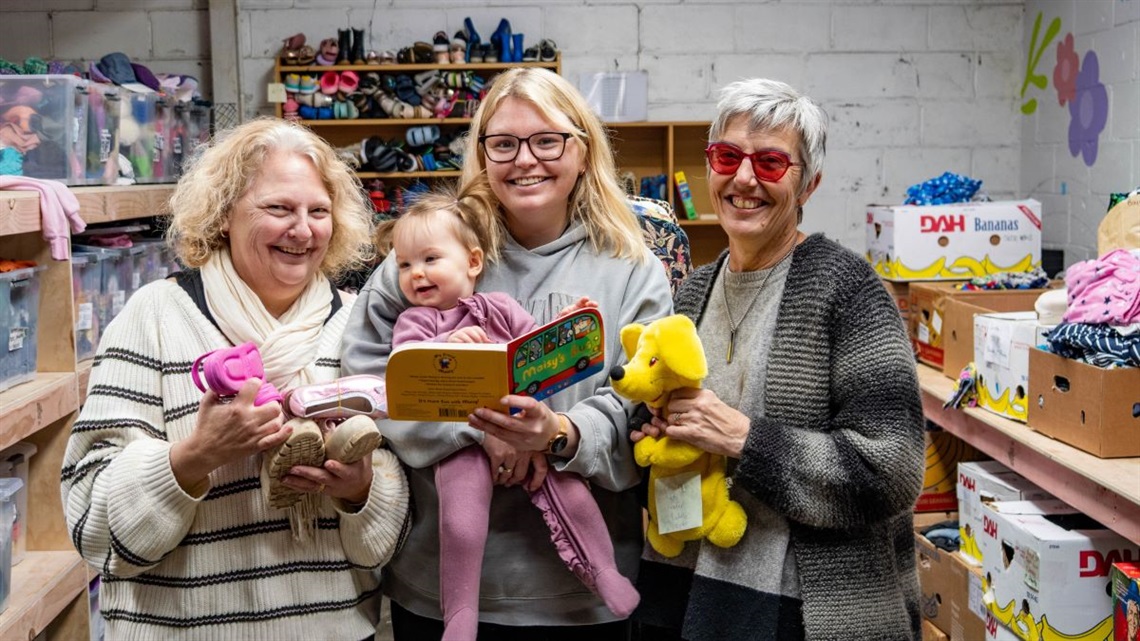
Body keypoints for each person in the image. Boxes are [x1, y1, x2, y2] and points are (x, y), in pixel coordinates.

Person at [342, 67, 673, 640]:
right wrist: (480, 431)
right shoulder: (432, 250)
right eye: (504, 143)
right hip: (440, 591)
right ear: (482, 153)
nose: (526, 160)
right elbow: (370, 381)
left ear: (583, 148)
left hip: (581, 602)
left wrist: (559, 432)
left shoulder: (631, 267)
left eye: (548, 140)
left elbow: (641, 402)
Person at [60, 118, 410, 641]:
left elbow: (390, 538)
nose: (303, 229)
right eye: (278, 209)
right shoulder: (156, 315)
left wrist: (360, 489)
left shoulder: (357, 323)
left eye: (318, 211)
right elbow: (92, 526)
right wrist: (196, 456)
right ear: (224, 215)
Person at [630, 78, 925, 641]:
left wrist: (746, 440)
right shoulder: (692, 294)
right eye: (728, 156)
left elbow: (892, 470)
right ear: (709, 167)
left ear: (808, 184)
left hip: (804, 614)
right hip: (690, 596)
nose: (744, 179)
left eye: (770, 163)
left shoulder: (847, 290)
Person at [378, 186, 640, 640]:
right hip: (459, 444)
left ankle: (602, 572)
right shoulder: (415, 322)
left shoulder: (499, 307)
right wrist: (443, 348)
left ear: (473, 263)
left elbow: (537, 345)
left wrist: (572, 323)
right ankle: (460, 613)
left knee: (571, 493)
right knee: (461, 518)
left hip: (527, 428)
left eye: (430, 260)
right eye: (404, 265)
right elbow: (406, 373)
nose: (415, 274)